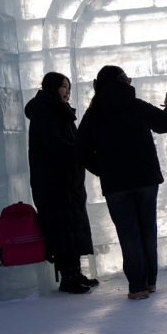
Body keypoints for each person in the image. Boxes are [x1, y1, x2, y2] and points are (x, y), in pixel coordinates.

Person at [75, 66, 167, 300]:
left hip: (116, 184)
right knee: (147, 230)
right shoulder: (136, 105)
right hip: (145, 179)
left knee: (128, 233)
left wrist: (102, 170)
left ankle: (137, 287)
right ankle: (150, 282)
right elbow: (166, 124)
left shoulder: (94, 114)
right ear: (123, 81)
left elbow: (80, 149)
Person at [25, 72, 98, 294]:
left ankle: (75, 272)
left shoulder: (59, 111)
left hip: (66, 179)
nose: (67, 91)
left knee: (71, 225)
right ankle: (68, 277)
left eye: (69, 87)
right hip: (53, 181)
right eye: (63, 87)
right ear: (52, 87)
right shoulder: (44, 111)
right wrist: (80, 151)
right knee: (61, 227)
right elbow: (55, 144)